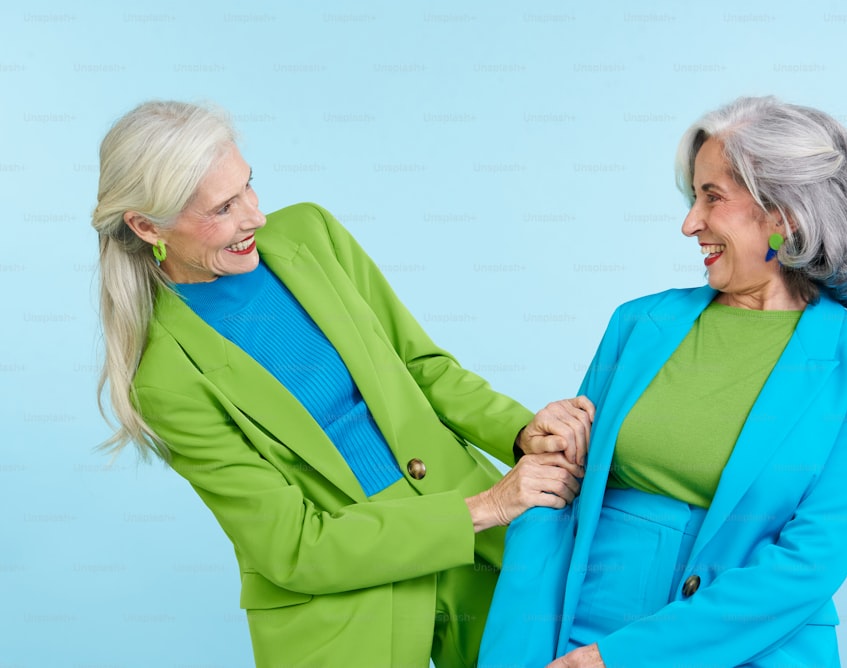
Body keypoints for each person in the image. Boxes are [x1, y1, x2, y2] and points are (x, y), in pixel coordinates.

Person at [91, 100, 595, 668]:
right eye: (222, 209)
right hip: (344, 613)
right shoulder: (165, 381)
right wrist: (487, 506)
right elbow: (294, 548)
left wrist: (524, 433)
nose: (254, 216)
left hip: (479, 552)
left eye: (249, 187)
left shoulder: (311, 232)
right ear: (145, 225)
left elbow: (422, 365)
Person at [480, 96, 847, 668]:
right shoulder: (640, 323)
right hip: (572, 632)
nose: (690, 223)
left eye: (712, 197)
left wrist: (620, 658)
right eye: (694, 197)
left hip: (745, 649)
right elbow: (556, 497)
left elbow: (811, 562)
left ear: (784, 214)